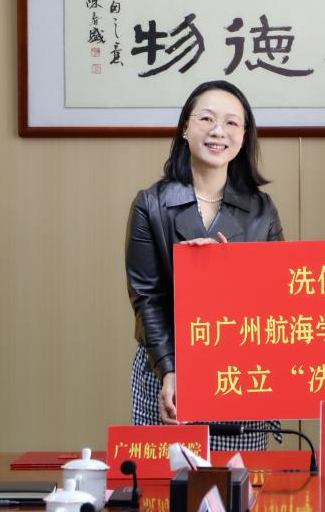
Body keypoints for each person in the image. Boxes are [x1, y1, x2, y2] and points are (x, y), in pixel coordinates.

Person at [125, 80, 283, 450]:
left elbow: (275, 299)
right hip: (167, 374)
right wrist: (170, 370)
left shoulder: (262, 210)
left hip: (239, 375)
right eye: (207, 119)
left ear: (244, 136)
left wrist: (231, 272)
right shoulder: (150, 204)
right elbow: (148, 300)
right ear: (185, 127)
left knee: (239, 480)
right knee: (166, 481)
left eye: (232, 123)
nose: (218, 131)